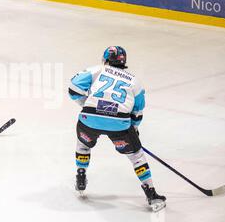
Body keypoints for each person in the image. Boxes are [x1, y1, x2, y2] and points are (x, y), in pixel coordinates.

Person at [68, 46, 166, 211]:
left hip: (90, 119)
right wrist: (133, 128)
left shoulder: (97, 70)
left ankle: (81, 176)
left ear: (106, 59)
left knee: (83, 144)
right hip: (119, 124)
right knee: (137, 157)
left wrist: (87, 105)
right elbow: (137, 111)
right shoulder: (134, 81)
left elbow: (73, 88)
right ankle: (151, 194)